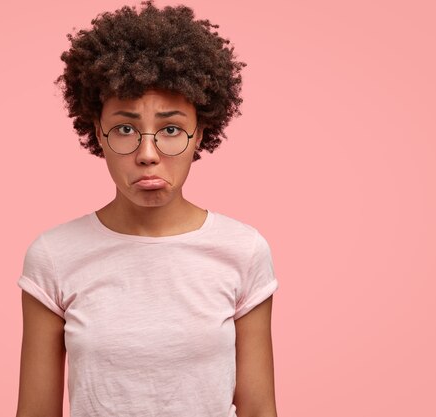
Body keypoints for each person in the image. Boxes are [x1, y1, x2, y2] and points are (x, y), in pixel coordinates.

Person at [15, 2, 279, 416]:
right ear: (97, 134)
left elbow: (259, 410)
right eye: (125, 129)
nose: (148, 154)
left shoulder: (243, 250)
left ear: (200, 134)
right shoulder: (54, 255)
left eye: (171, 129)